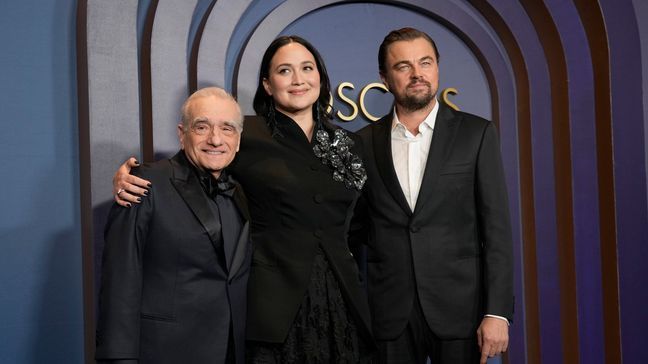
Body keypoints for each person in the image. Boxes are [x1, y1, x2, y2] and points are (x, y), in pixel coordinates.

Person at [111, 36, 373, 363]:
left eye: (307, 68)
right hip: (273, 304)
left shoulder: (348, 144)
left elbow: (363, 219)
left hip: (342, 299)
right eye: (284, 71)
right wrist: (132, 172)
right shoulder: (244, 133)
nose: (298, 79)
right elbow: (191, 161)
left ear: (320, 75)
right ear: (267, 84)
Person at [350, 27, 514, 364]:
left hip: (461, 312)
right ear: (384, 76)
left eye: (425, 63)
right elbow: (353, 231)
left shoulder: (476, 134)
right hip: (389, 314)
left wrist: (497, 312)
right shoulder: (362, 143)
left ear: (437, 67)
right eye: (403, 66)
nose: (417, 74)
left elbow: (496, 229)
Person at [96, 87, 251, 364]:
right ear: (182, 134)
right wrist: (118, 359)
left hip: (231, 352)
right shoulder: (144, 183)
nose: (215, 139)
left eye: (227, 129)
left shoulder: (242, 191)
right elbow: (120, 282)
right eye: (202, 127)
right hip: (163, 352)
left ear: (238, 140)